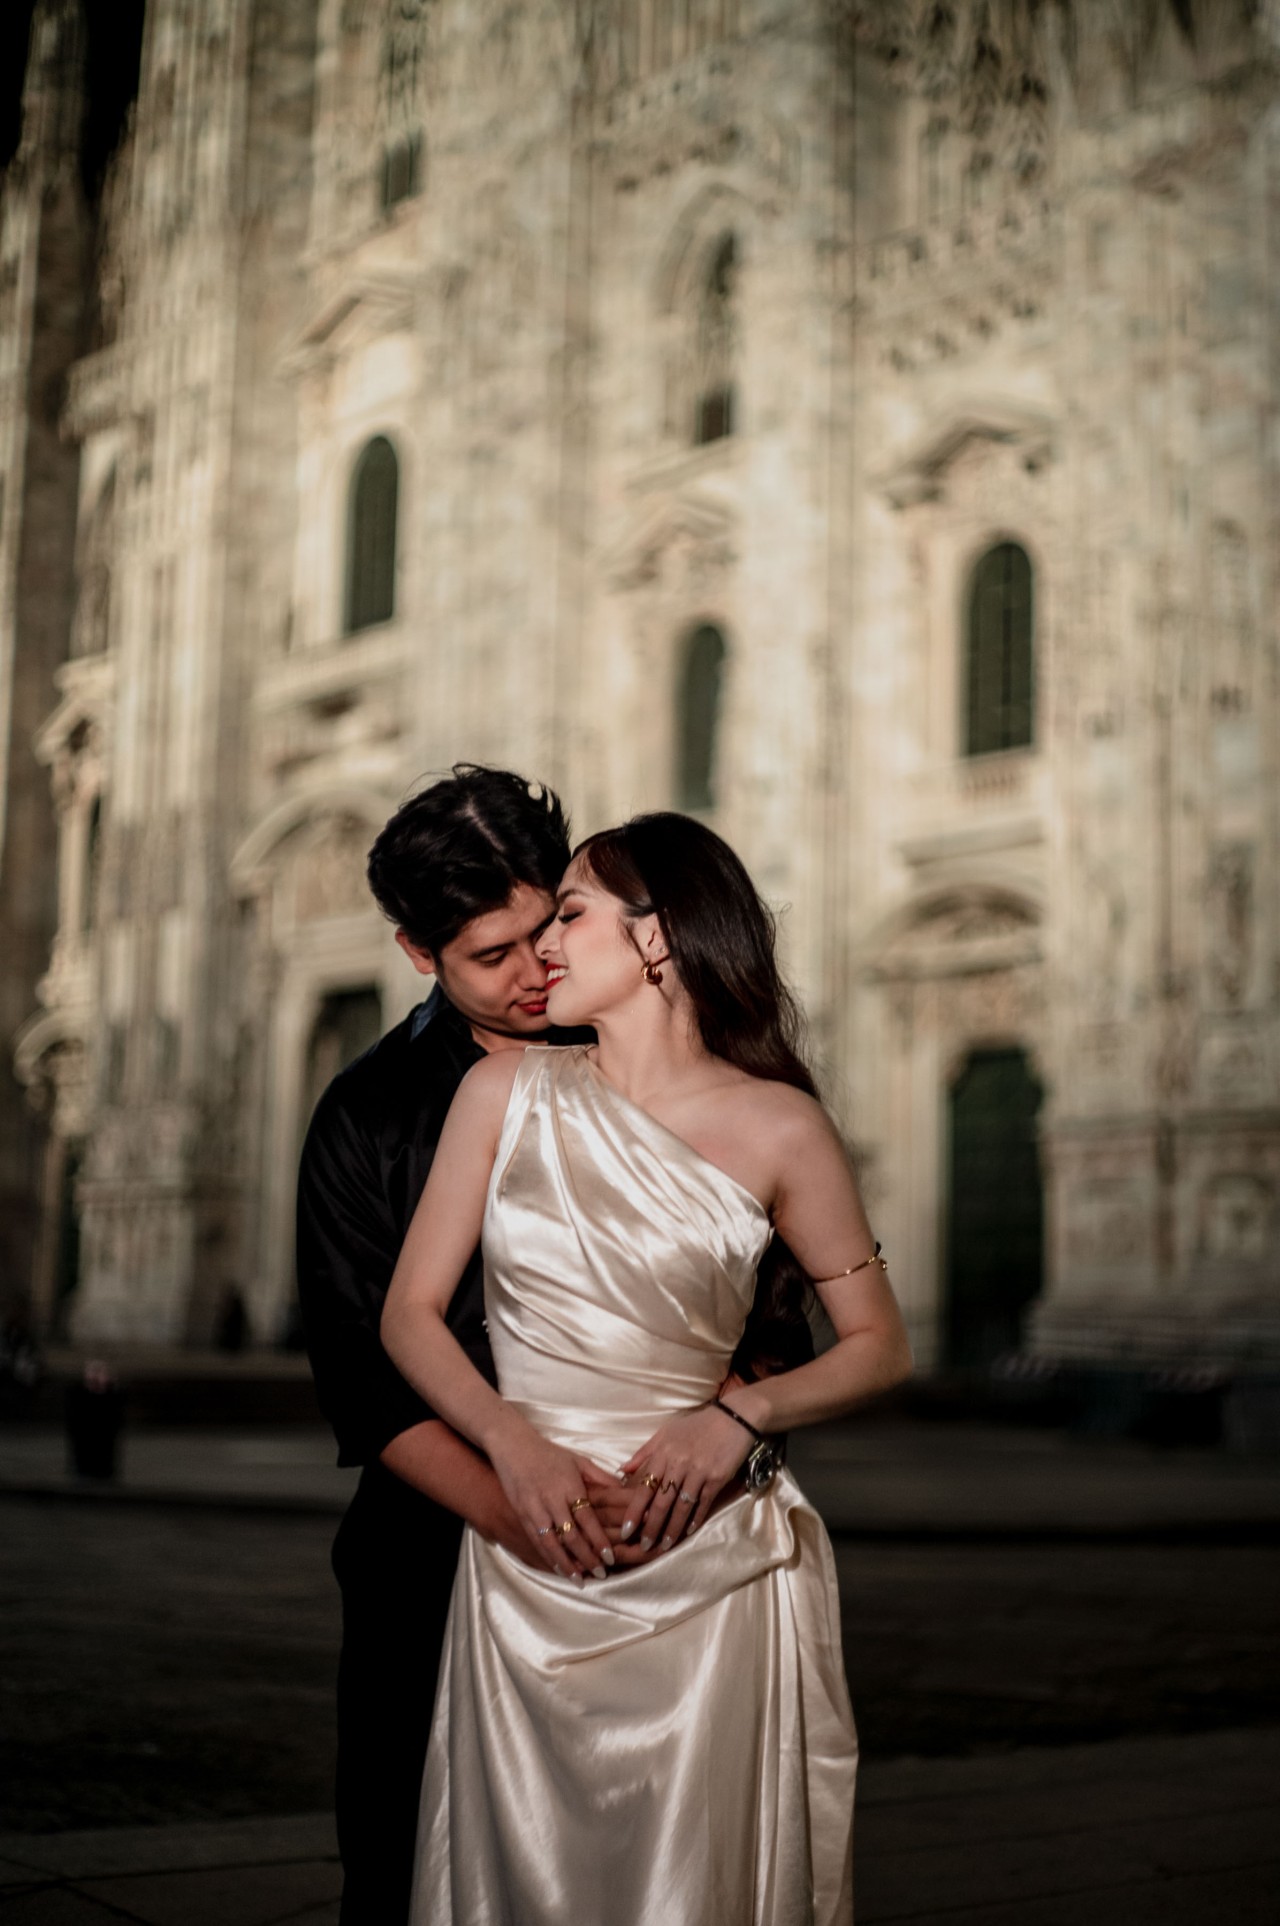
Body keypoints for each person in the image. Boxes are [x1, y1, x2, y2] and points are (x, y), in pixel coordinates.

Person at [382, 812, 914, 1924]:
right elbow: (409, 1317)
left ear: (657, 937)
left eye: (570, 916)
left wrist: (740, 1420)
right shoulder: (503, 1093)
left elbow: (880, 1345)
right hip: (530, 1561)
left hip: (707, 1562)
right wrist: (510, 1444)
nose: (544, 948)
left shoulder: (782, 1128)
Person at [297, 769, 807, 1924]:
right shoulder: (366, 1115)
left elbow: (776, 1316)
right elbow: (364, 1381)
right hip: (435, 1554)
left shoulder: (668, 1062)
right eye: (492, 956)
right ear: (418, 954)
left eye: (551, 927)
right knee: (407, 1869)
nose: (537, 971)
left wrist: (718, 1445)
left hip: (667, 1543)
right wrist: (525, 1506)